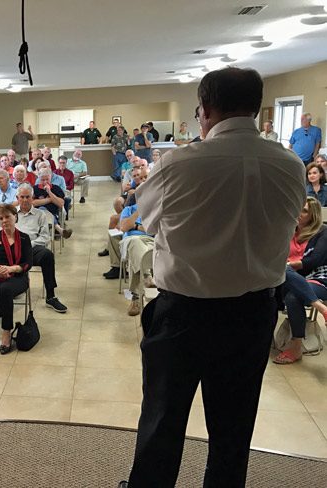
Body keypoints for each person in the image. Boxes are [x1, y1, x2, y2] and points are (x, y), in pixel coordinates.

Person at [119, 67, 305, 488]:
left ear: (204, 110)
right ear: (256, 109)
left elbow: (146, 223)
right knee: (234, 429)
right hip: (254, 312)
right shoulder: (291, 164)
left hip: (184, 314)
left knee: (162, 421)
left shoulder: (178, 164)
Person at [273, 197, 327, 364]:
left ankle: (296, 347)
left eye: (304, 211)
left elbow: (316, 260)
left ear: (313, 215)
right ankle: (321, 307)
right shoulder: (289, 230)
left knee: (293, 297)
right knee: (280, 271)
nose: (299, 213)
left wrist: (290, 264)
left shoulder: (322, 231)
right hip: (288, 277)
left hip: (317, 278)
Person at [0, 204, 33, 354]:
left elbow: (28, 263)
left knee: (5, 289)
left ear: (15, 217)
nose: (4, 220)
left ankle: (6, 331)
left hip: (18, 276)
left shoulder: (24, 238)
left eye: (7, 217)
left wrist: (11, 269)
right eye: (1, 218)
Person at [15, 184, 68, 313]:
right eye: (22, 197)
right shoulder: (11, 214)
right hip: (12, 248)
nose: (25, 200)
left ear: (32, 197)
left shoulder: (40, 214)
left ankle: (51, 296)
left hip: (32, 247)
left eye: (28, 197)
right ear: (17, 198)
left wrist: (29, 244)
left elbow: (45, 237)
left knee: (47, 255)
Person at [33, 168, 72, 239]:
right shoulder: (34, 189)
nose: (45, 182)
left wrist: (49, 192)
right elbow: (33, 203)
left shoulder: (56, 188)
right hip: (36, 216)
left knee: (43, 209)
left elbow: (61, 204)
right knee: (42, 209)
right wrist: (50, 199)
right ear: (39, 179)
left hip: (53, 214)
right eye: (42, 180)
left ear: (50, 178)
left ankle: (55, 228)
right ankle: (59, 229)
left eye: (47, 179)